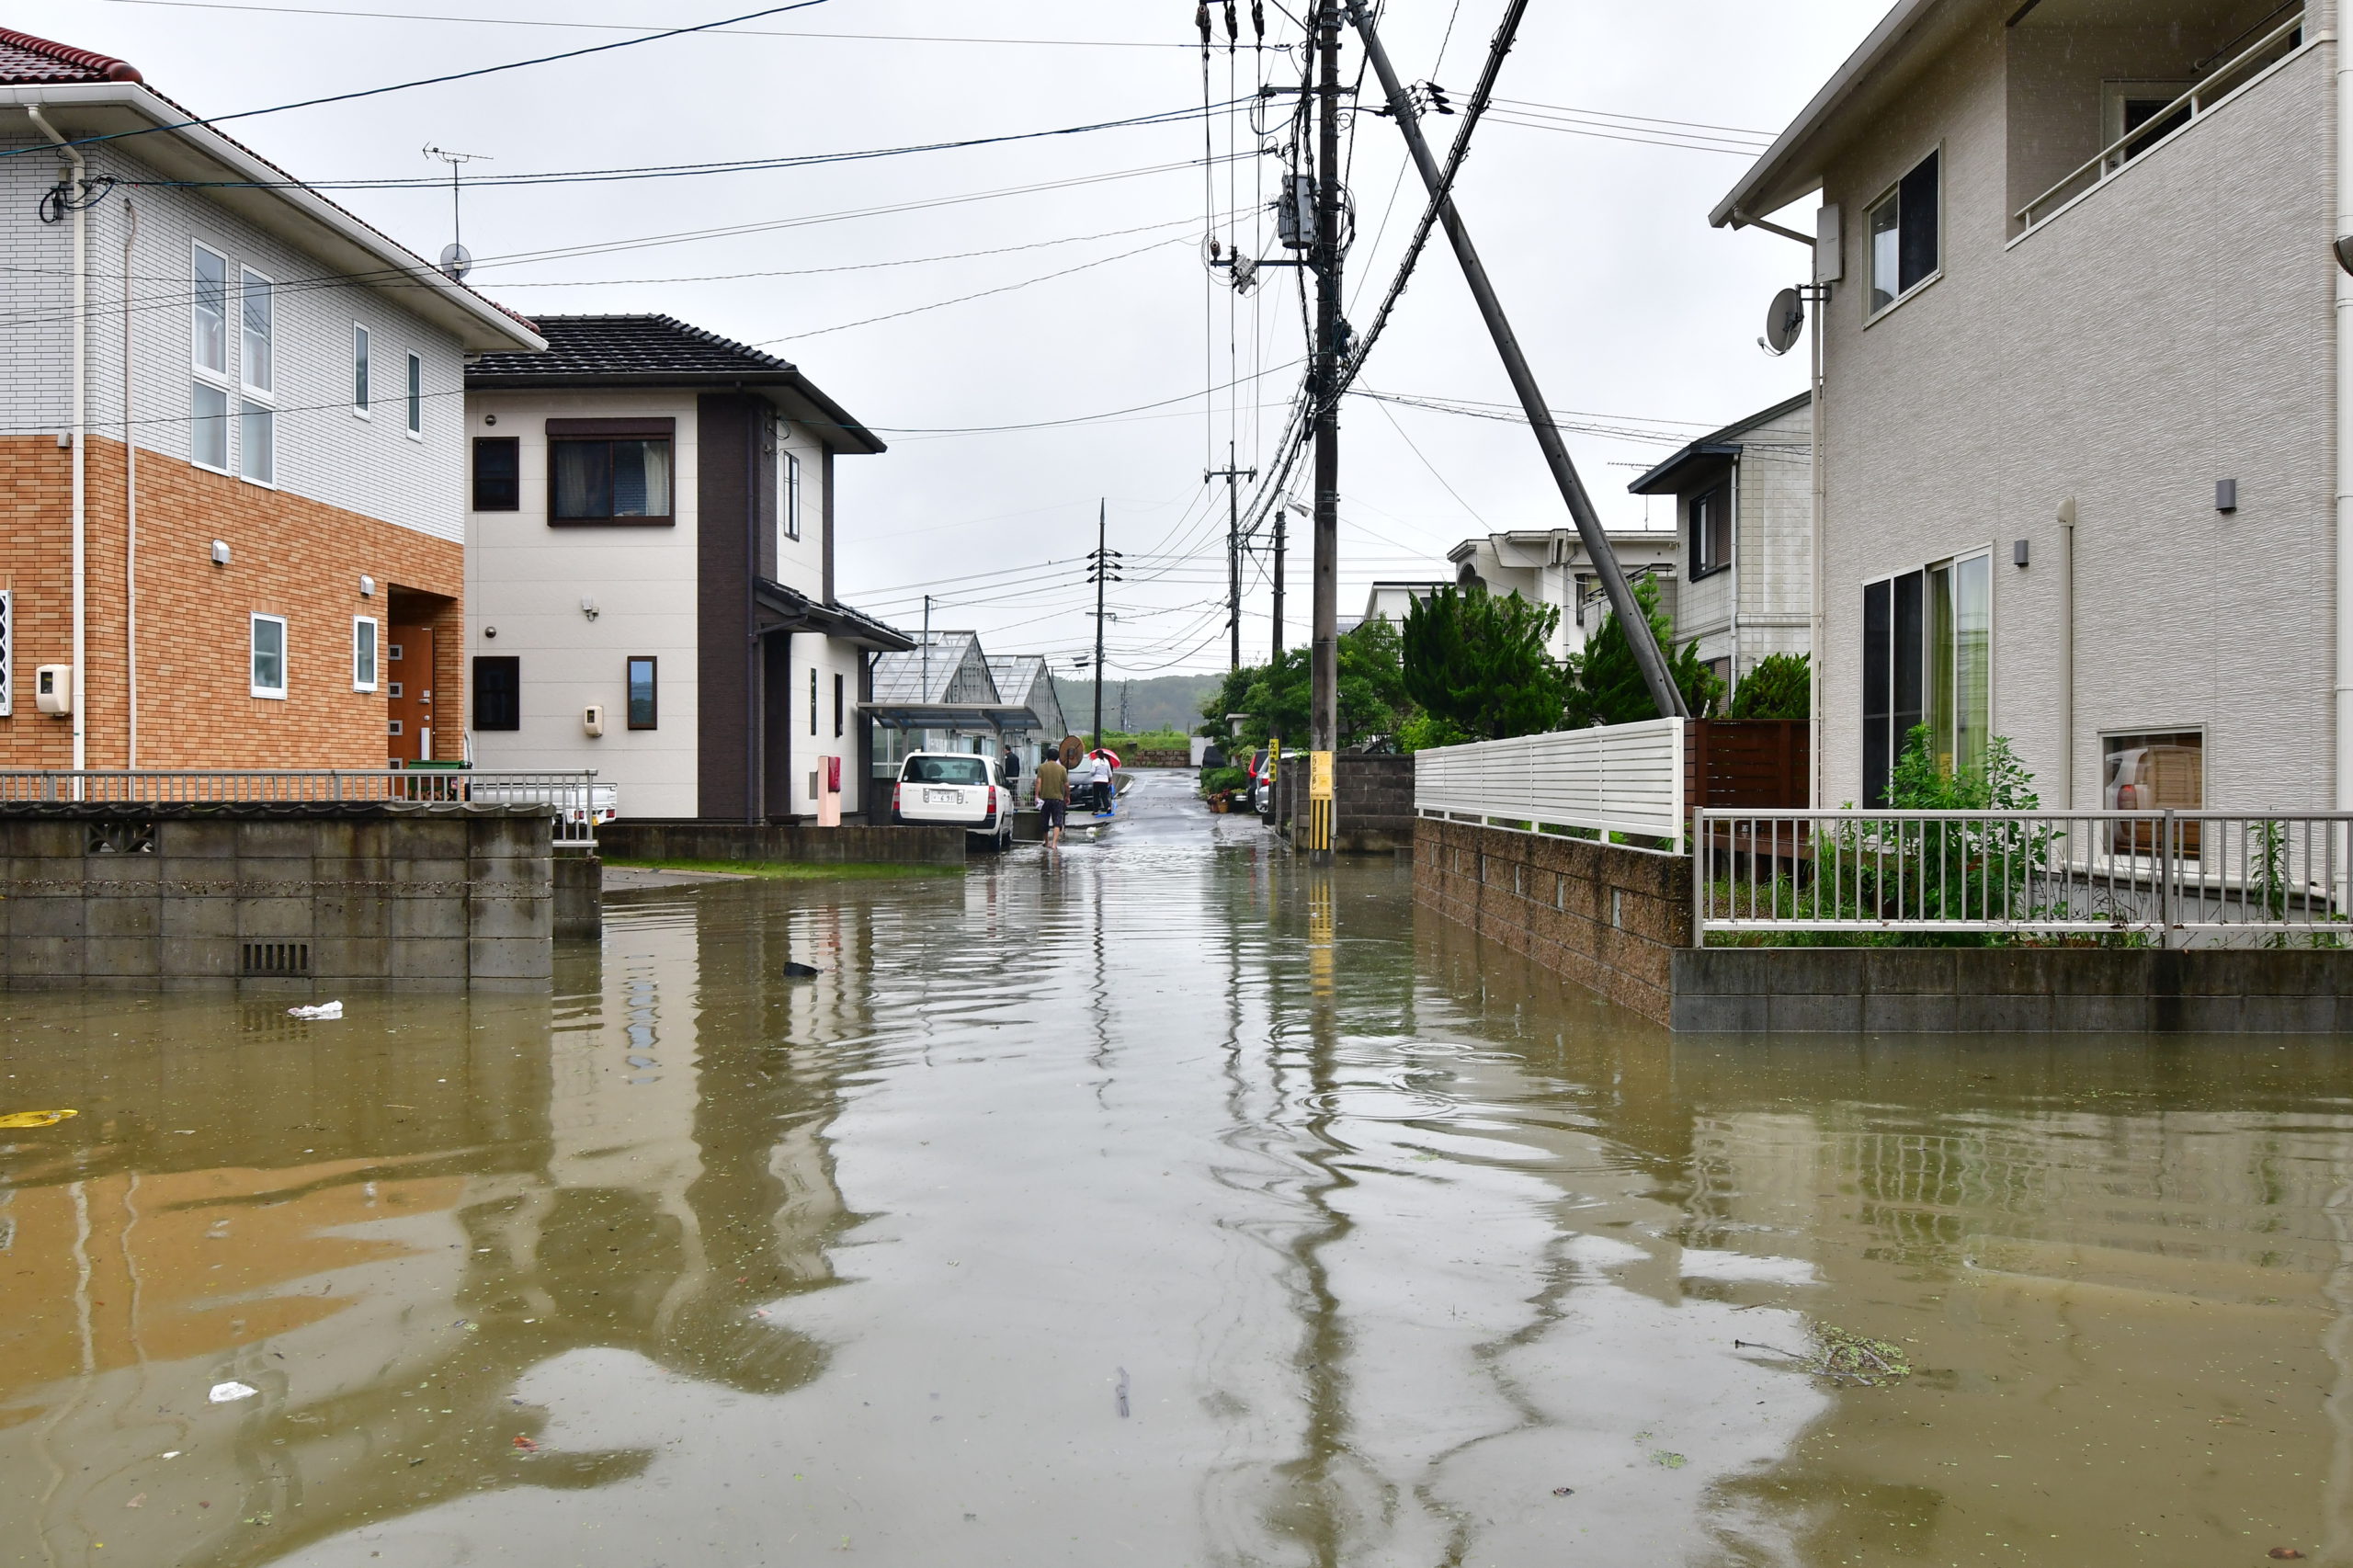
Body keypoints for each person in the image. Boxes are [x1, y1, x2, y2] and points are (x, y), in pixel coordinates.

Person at [1034, 748, 1070, 847]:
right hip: (1058, 799)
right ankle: (1054, 843)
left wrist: (1036, 795)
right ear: (1057, 757)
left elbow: (1038, 782)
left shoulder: (1042, 767)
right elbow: (1067, 785)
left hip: (1044, 799)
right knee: (1057, 821)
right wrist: (1067, 796)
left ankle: (1046, 842)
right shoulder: (1062, 769)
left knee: (1044, 821)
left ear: (1047, 756)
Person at [1086, 748, 1115, 815]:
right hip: (1104, 781)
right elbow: (1109, 773)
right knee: (1104, 795)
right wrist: (1111, 780)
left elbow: (1092, 772)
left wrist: (1092, 773)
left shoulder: (1095, 762)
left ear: (1097, 755)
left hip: (1096, 781)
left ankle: (1095, 811)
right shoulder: (1106, 762)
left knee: (1096, 796)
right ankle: (1108, 807)